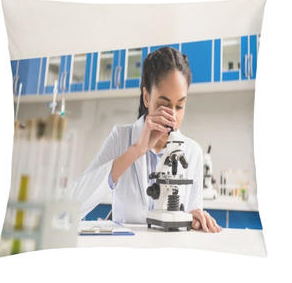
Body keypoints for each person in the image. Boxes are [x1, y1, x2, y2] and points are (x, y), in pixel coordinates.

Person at [69, 46, 222, 233]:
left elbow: (190, 217)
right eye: (163, 104)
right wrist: (136, 150)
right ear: (147, 97)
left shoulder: (192, 152)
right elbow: (70, 208)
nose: (172, 116)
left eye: (180, 106)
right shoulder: (121, 138)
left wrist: (196, 218)